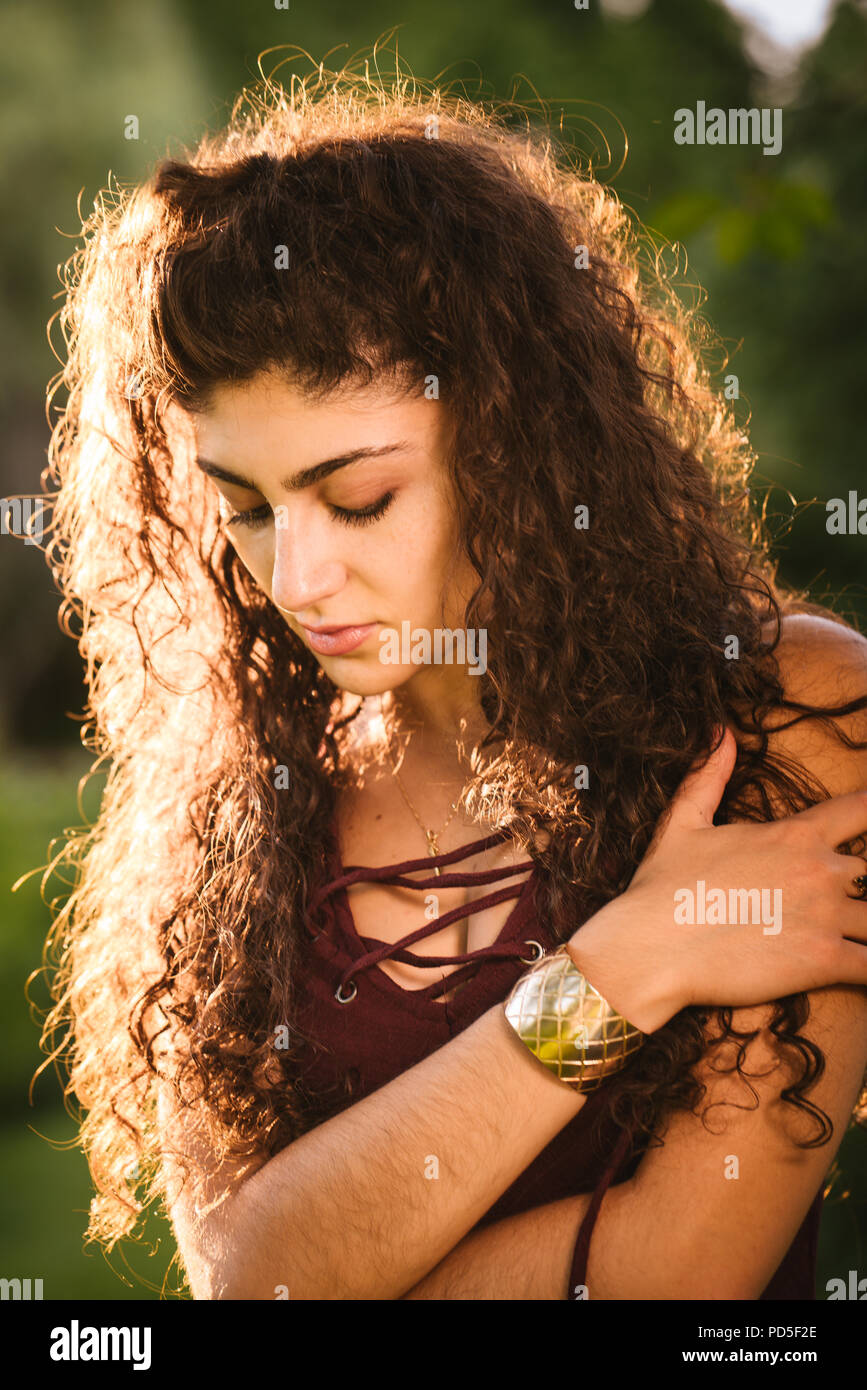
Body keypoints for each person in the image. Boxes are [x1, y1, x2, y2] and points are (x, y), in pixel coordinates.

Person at [37, 59, 867, 1301]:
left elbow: (687, 1270)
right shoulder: (228, 799)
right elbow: (244, 1276)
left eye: (358, 497)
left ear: (512, 440)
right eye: (247, 509)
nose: (300, 575)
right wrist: (624, 966)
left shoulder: (786, 713)